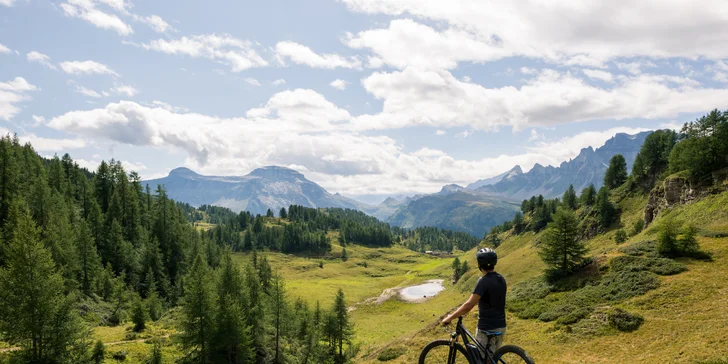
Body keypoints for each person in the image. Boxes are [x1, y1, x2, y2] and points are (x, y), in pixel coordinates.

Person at [442, 248, 507, 356]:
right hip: (501, 326)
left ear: (479, 264)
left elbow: (468, 305)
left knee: (481, 358)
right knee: (492, 357)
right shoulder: (501, 278)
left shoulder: (483, 281)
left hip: (487, 327)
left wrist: (450, 318)